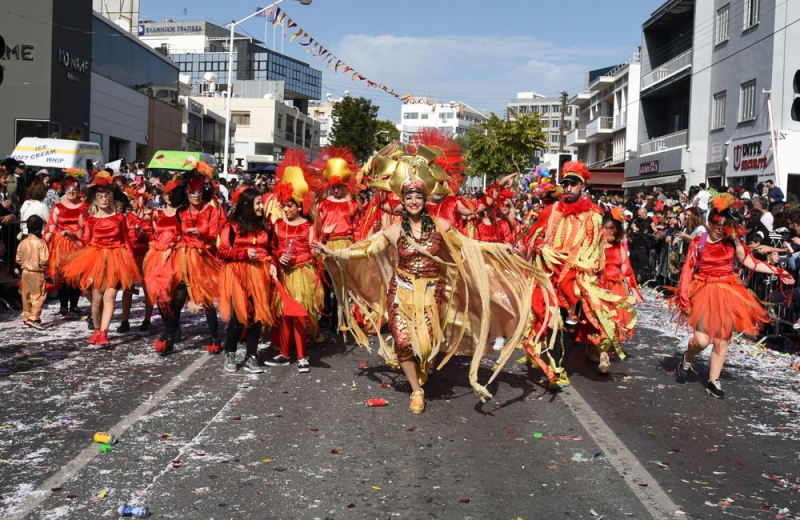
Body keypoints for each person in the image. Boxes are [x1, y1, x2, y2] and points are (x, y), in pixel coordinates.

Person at [316, 145, 549, 412]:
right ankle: (416, 391)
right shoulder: (392, 231)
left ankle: (422, 365)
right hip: (400, 291)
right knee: (403, 342)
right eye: (409, 197)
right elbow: (365, 248)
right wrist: (333, 252)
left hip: (430, 293)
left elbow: (470, 246)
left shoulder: (442, 226)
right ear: (402, 201)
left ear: (424, 199)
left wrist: (502, 248)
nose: (413, 200)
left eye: (418, 196)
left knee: (425, 346)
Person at [674, 194, 795, 398]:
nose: (719, 228)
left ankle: (713, 381)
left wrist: (778, 271)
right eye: (716, 224)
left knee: (722, 338)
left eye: (724, 225)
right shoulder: (699, 241)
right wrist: (683, 297)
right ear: (710, 221)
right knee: (702, 341)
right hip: (703, 291)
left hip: (728, 291)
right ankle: (688, 357)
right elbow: (688, 269)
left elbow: (751, 262)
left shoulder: (734, 241)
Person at [518, 161, 624, 390]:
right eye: (565, 184)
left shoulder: (594, 215)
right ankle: (556, 369)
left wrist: (595, 270)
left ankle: (560, 365)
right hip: (551, 277)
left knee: (570, 324)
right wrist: (538, 247)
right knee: (553, 320)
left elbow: (599, 247)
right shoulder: (552, 210)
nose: (568, 188)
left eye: (572, 184)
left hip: (576, 280)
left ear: (582, 187)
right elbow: (534, 235)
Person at [61, 172, 141, 346]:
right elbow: (85, 240)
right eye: (100, 197)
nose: (104, 199)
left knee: (110, 296)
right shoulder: (90, 218)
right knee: (97, 299)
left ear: (111, 197)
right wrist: (72, 236)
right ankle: (97, 330)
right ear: (95, 200)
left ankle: (104, 332)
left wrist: (131, 265)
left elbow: (126, 241)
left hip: (116, 257)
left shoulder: (119, 217)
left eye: (107, 196)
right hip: (96, 258)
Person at [265, 150, 324, 372]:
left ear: (299, 206)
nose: (287, 209)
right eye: (284, 205)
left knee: (298, 315)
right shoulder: (278, 225)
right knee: (283, 315)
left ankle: (301, 356)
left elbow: (312, 252)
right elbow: (272, 248)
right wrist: (278, 259)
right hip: (282, 274)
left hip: (301, 274)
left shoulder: (308, 226)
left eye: (291, 205)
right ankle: (283, 352)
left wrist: (303, 256)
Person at [218, 187, 276, 373]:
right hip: (236, 274)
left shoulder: (266, 225)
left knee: (257, 316)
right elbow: (222, 251)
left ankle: (251, 356)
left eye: (262, 203)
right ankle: (230, 352)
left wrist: (274, 262)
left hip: (260, 275)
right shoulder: (232, 227)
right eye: (258, 203)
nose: (261, 206)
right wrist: (243, 253)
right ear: (247, 205)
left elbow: (273, 248)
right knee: (238, 317)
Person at [166, 165, 222, 353]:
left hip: (203, 257)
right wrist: (172, 244)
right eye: (192, 192)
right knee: (177, 299)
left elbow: (214, 234)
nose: (196, 195)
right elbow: (176, 233)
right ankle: (170, 339)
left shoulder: (211, 211)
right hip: (183, 257)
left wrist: (201, 234)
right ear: (186, 193)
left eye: (199, 191)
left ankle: (214, 339)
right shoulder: (180, 212)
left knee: (206, 301)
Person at [312, 146, 360, 333]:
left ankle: (343, 318)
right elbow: (318, 227)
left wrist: (356, 248)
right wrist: (321, 240)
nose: (337, 190)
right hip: (327, 246)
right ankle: (327, 315)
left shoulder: (353, 203)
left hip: (346, 246)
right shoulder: (323, 203)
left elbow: (356, 228)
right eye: (334, 187)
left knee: (344, 286)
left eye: (340, 187)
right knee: (327, 284)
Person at [592, 208, 641, 373]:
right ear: (602, 228)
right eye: (609, 228)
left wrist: (634, 289)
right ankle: (596, 351)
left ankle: (603, 356)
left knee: (610, 324)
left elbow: (626, 270)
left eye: (615, 228)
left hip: (615, 290)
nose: (612, 231)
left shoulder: (619, 247)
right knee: (599, 322)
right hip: (598, 288)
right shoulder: (594, 246)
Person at [143, 180, 183, 355]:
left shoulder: (182, 212)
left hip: (177, 255)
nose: (168, 195)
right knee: (159, 295)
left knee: (176, 298)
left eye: (171, 192)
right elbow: (151, 232)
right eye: (166, 192)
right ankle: (170, 329)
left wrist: (172, 246)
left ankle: (170, 332)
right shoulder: (156, 213)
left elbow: (184, 233)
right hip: (157, 256)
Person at [44, 176, 88, 316]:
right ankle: (63, 306)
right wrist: (46, 239)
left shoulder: (85, 206)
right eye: (69, 190)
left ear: (79, 190)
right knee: (62, 276)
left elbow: (88, 225)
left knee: (75, 276)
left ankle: (74, 305)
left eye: (75, 190)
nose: (72, 192)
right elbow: (51, 224)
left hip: (78, 243)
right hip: (61, 245)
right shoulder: (59, 206)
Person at [118, 184, 154, 333]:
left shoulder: (152, 215)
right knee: (128, 288)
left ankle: (147, 319)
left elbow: (155, 236)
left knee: (148, 289)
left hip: (147, 255)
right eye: (130, 200)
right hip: (131, 255)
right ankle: (125, 320)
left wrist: (144, 235)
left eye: (133, 199)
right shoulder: (129, 216)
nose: (130, 203)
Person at [15, 215, 49, 329]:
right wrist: (42, 266)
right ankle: (33, 318)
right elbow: (44, 259)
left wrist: (24, 264)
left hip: (25, 271)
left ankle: (26, 317)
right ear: (40, 229)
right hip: (36, 272)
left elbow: (18, 258)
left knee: (26, 295)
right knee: (39, 295)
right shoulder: (41, 243)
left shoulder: (22, 242)